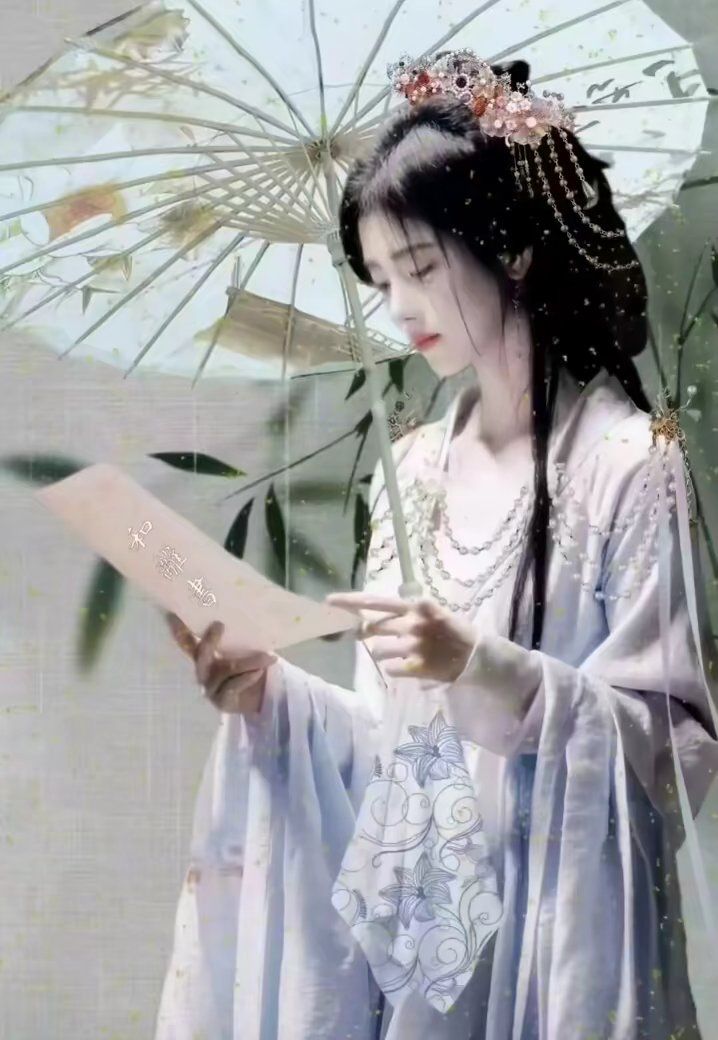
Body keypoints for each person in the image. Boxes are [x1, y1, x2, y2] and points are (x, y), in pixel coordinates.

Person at [154, 52, 718, 1040]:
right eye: (381, 279)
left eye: (418, 267)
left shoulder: (630, 464)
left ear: (513, 248)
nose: (400, 307)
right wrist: (273, 698)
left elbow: (671, 753)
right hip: (429, 948)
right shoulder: (410, 470)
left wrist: (484, 665)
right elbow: (395, 748)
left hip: (552, 942)